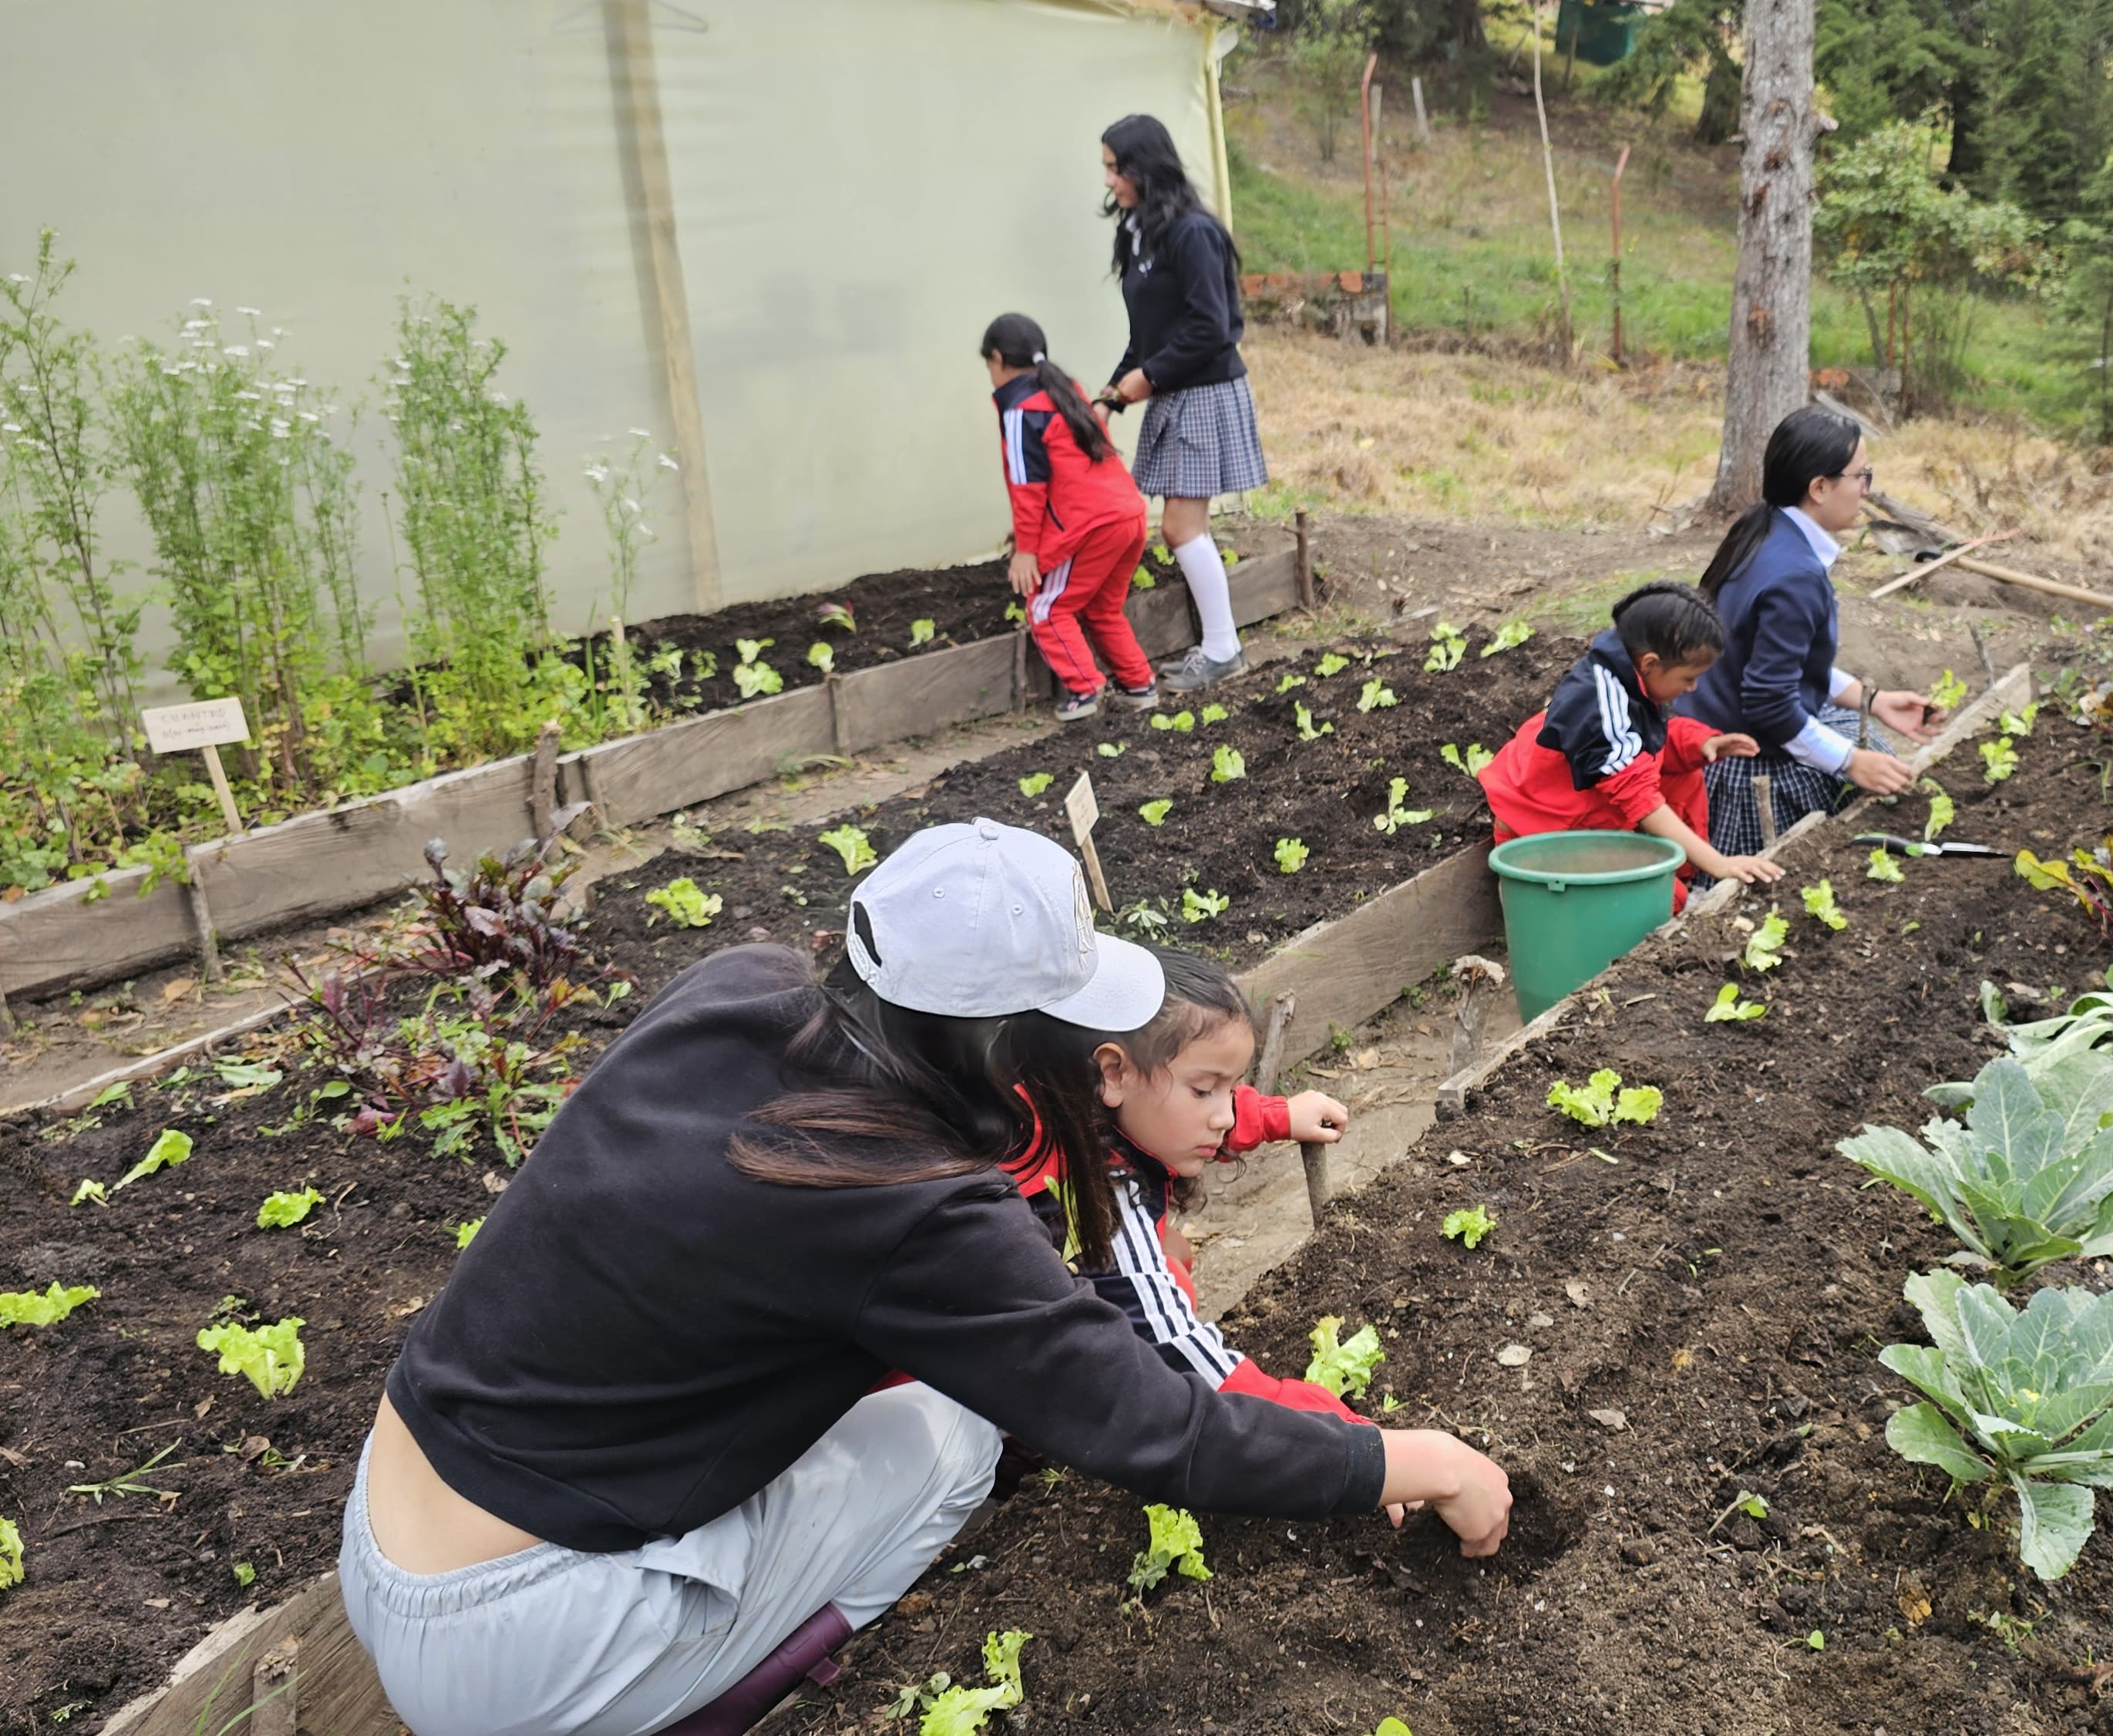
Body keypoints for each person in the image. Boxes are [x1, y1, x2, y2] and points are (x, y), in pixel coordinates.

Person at [340, 820, 1509, 1736]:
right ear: (1010, 1038)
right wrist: (1405, 1459)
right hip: (518, 1644)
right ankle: (722, 1703)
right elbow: (1152, 1430)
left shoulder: (741, 990)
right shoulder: (900, 1197)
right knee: (954, 1435)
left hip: (393, 1524)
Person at [1002, 949, 1364, 1417]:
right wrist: (1338, 1433)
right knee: (1161, 1283)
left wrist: (1278, 1115)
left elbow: (1176, 1107)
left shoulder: (1068, 1100)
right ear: (1115, 1072)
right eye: (1204, 1090)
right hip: (978, 1387)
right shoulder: (1100, 1201)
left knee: (1171, 1255)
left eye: (1230, 1089)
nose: (1225, 1113)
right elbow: (1184, 1356)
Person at [1677, 406, 1943, 854]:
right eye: (1861, 476)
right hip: (1742, 765)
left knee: (1873, 753)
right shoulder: (1794, 575)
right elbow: (1769, 705)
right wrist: (1850, 762)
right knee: (1871, 800)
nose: (1866, 490)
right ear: (1819, 487)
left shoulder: (1763, 526)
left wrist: (1873, 701)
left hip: (1713, 734)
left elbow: (1772, 662)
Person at [1479, 580, 1782, 908]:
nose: (1693, 688)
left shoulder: (1627, 673)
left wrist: (1701, 742)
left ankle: (1681, 873)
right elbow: (1640, 800)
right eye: (1688, 678)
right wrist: (1719, 863)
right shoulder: (1597, 703)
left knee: (1686, 774)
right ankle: (1676, 892)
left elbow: (1648, 742)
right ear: (1651, 663)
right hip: (1544, 829)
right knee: (1663, 899)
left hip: (1581, 807)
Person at [1097, 114, 1262, 693]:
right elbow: (1150, 331)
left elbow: (1211, 327)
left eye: (1116, 169)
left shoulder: (1192, 233)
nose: (1110, 182)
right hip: (1178, 390)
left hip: (1203, 393)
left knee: (1178, 527)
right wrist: (1112, 396)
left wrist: (1147, 377)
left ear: (1145, 167)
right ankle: (1221, 645)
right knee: (1183, 527)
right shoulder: (1143, 233)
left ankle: (1222, 649)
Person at [984, 313, 1157, 722]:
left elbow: (1028, 487)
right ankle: (1139, 684)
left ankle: (1086, 690)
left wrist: (1027, 550)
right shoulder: (1067, 390)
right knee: (1101, 608)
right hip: (1127, 514)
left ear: (997, 359)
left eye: (988, 365)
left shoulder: (1021, 411)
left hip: (1092, 525)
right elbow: (1074, 469)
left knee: (1047, 607)